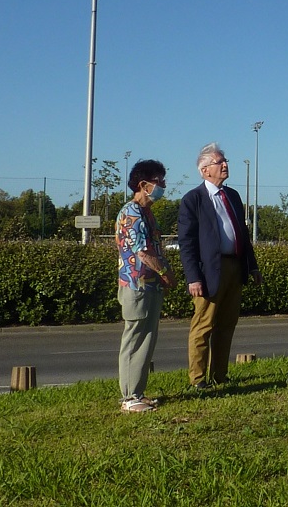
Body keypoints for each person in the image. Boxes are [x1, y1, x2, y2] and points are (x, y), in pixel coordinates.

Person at [177, 142, 263, 390]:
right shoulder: (193, 199)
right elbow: (187, 242)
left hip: (235, 268)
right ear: (205, 170)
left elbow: (243, 235)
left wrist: (252, 267)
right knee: (203, 326)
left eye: (225, 161)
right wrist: (193, 277)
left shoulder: (232, 196)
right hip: (208, 273)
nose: (225, 165)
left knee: (227, 325)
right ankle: (198, 379)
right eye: (219, 162)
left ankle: (220, 375)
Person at [116, 158, 175, 413]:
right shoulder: (131, 213)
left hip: (150, 287)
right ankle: (129, 398)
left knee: (147, 339)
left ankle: (137, 393)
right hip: (136, 287)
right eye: (158, 181)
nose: (162, 185)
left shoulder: (147, 214)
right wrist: (164, 271)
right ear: (143, 184)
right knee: (135, 338)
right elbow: (142, 252)